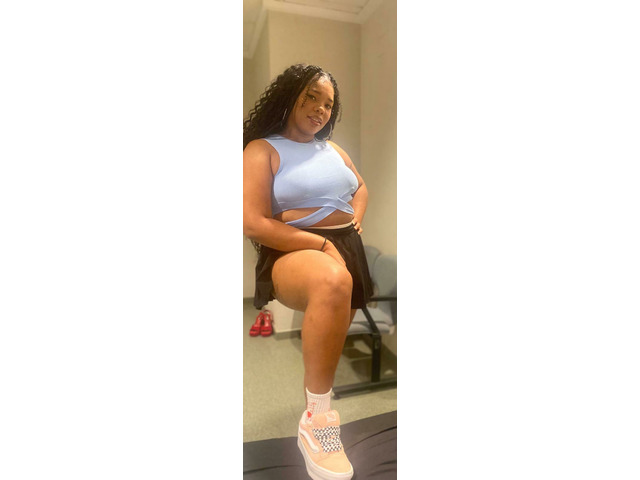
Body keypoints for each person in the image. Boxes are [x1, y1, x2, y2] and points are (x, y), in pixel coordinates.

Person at [243, 63, 373, 480]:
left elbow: (360, 186)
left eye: (328, 104)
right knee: (331, 281)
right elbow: (252, 222)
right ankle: (319, 421)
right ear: (289, 96)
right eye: (311, 97)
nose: (320, 109)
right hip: (297, 247)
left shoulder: (332, 149)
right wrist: (320, 243)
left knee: (329, 347)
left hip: (347, 246)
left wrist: (355, 218)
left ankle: (314, 414)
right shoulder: (262, 149)